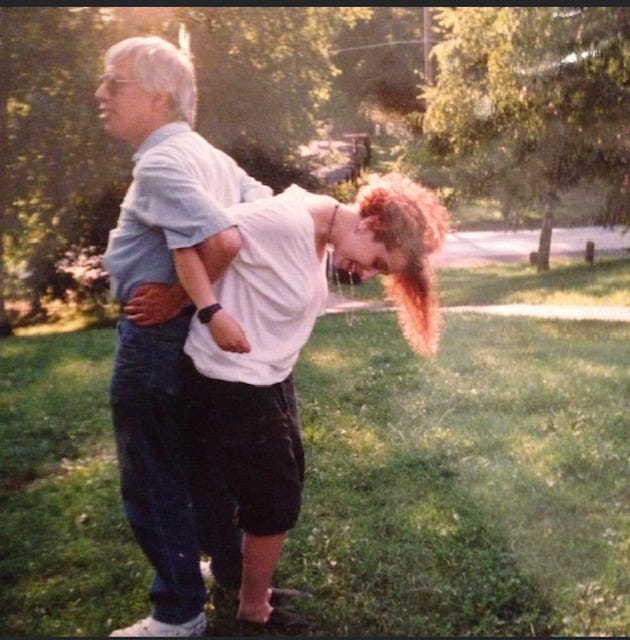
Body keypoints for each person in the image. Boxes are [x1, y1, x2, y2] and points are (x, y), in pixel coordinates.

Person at [166, 172, 452, 634]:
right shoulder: (286, 221)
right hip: (229, 380)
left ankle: (243, 584)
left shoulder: (318, 220)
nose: (366, 274)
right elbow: (186, 238)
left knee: (283, 479)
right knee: (275, 498)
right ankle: (252, 611)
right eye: (377, 263)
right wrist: (209, 311)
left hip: (268, 376)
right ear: (370, 224)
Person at [95, 35, 275, 637]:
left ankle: (177, 613)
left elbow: (224, 240)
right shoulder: (212, 158)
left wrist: (178, 296)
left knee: (151, 474)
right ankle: (223, 570)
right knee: (201, 467)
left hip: (154, 338)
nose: (101, 95)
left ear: (159, 96)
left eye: (114, 83)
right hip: (188, 341)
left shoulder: (161, 163)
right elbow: (263, 209)